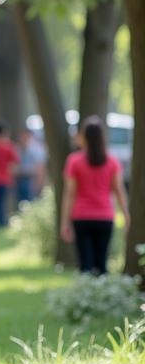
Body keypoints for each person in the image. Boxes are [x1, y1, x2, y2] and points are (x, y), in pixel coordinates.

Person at [60, 116, 129, 274]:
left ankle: (87, 293)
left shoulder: (74, 161)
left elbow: (69, 194)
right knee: (102, 263)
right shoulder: (112, 162)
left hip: (81, 217)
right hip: (104, 217)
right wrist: (126, 215)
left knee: (85, 264)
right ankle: (100, 294)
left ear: (83, 137)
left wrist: (65, 222)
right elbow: (119, 191)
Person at [0, 123, 19, 227]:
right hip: (5, 178)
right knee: (3, 201)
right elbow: (15, 162)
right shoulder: (8, 146)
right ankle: (2, 221)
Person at [14, 128, 47, 204]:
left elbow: (40, 169)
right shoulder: (18, 149)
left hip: (32, 182)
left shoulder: (37, 149)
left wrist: (39, 185)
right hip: (20, 182)